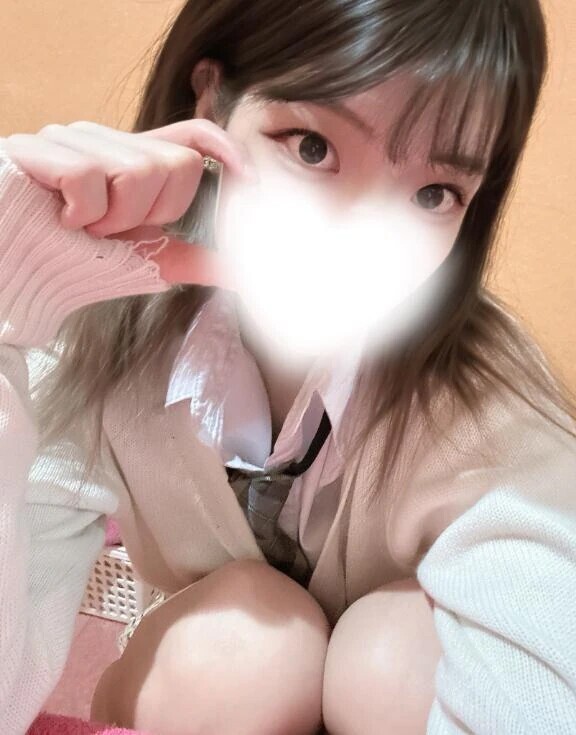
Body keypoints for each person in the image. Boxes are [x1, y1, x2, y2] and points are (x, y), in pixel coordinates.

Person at [1, 0, 576, 733]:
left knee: (395, 656)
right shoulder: (101, 327)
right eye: (311, 148)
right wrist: (8, 301)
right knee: (247, 651)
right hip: (206, 693)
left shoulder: (490, 413)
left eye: (435, 194)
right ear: (211, 103)